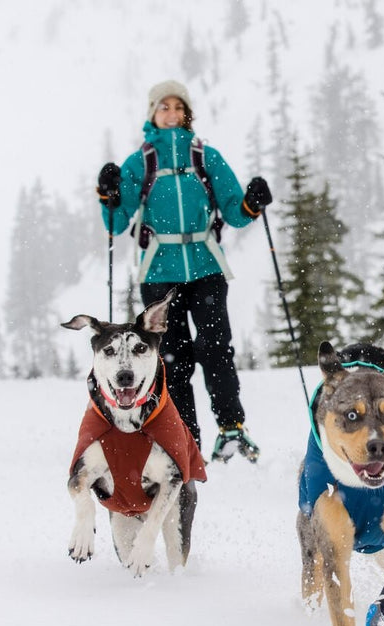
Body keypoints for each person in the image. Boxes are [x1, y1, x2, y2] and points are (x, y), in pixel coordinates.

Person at [95, 79, 273, 463]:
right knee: (172, 359)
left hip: (206, 268)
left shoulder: (204, 157)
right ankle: (184, 439)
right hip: (159, 273)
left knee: (216, 351)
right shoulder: (140, 163)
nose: (172, 114)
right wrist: (107, 192)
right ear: (153, 114)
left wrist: (253, 203)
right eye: (164, 108)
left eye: (178, 107)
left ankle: (231, 429)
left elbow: (235, 212)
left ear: (187, 113)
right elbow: (116, 220)